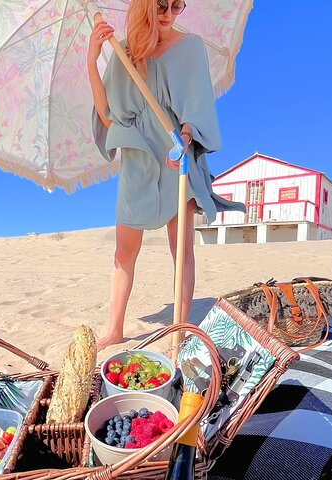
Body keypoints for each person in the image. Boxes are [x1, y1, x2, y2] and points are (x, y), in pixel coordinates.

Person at [88, 0, 245, 350]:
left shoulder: (190, 47)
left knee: (182, 249)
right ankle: (114, 329)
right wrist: (92, 57)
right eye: (162, 4)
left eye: (178, 5)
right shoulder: (124, 52)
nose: (169, 13)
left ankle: (180, 329)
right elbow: (108, 114)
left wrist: (185, 139)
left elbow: (197, 108)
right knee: (123, 252)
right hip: (138, 157)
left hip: (176, 155)